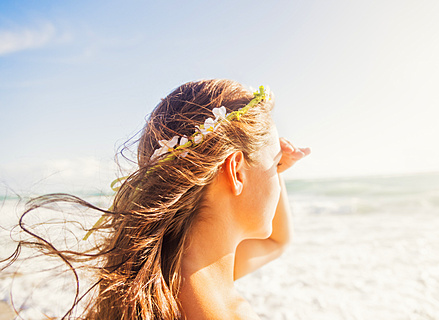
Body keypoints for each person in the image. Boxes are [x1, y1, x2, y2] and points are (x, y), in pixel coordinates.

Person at [5, 79, 310, 319]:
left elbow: (276, 242)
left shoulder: (163, 277)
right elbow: (278, 243)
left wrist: (270, 163)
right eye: (275, 163)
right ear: (236, 171)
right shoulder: (216, 303)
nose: (277, 173)